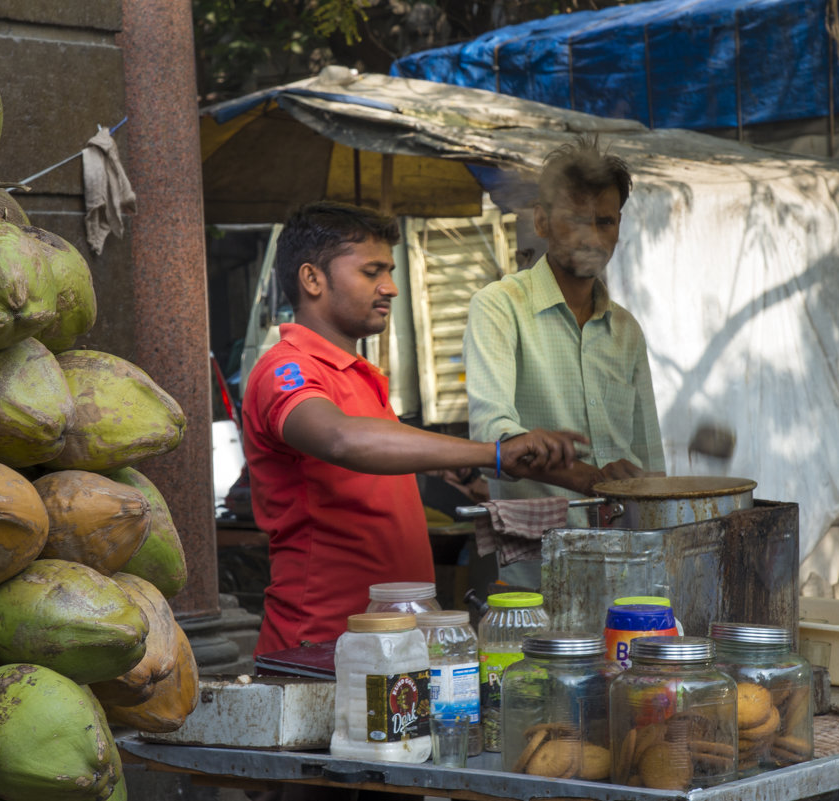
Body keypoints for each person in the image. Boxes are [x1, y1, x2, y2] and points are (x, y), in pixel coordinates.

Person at [243, 200, 587, 656]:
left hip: (391, 641)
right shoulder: (286, 368)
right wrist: (492, 453)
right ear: (312, 279)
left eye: (389, 271)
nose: (391, 287)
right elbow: (340, 438)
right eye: (372, 272)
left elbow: (386, 460)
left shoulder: (357, 373)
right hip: (322, 643)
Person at [463, 136, 666, 589]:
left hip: (628, 566)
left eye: (604, 221)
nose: (592, 236)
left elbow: (650, 462)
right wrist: (595, 481)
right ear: (542, 220)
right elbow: (492, 433)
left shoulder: (627, 330)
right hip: (535, 571)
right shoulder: (500, 307)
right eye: (576, 219)